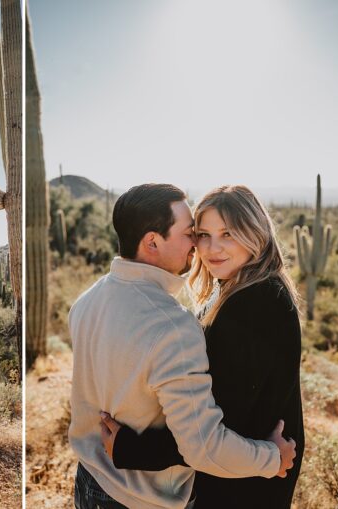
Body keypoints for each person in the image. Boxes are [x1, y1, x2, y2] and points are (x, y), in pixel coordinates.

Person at [68, 183, 296, 509]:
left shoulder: (86, 301)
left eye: (224, 234)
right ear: (152, 242)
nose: (198, 245)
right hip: (140, 498)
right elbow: (202, 446)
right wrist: (272, 459)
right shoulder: (173, 327)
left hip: (88, 481)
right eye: (193, 233)